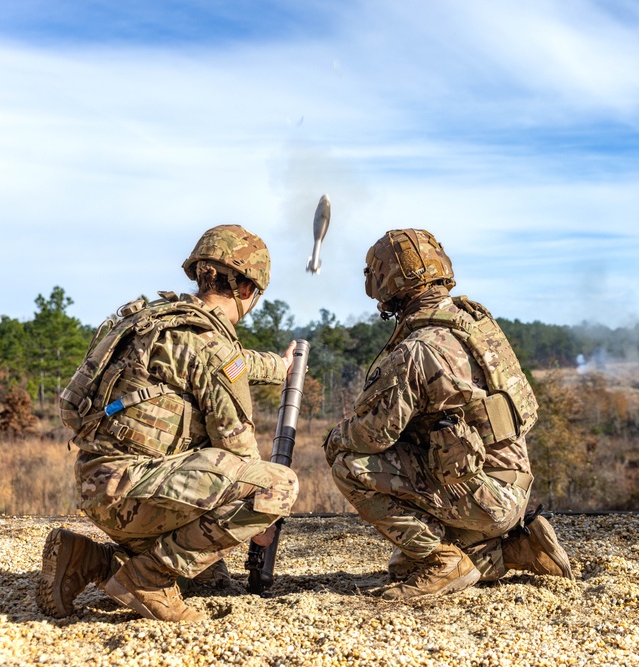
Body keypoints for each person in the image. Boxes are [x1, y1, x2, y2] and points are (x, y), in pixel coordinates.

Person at [36, 225, 300, 622]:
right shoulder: (212, 345)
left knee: (206, 579)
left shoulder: (150, 321)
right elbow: (239, 451)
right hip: (137, 494)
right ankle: (148, 579)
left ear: (200, 272)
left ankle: (87, 559)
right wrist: (261, 519)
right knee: (275, 485)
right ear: (247, 289)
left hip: (99, 486)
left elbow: (226, 362)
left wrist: (280, 366)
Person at [324, 228, 573, 600]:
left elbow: (374, 434)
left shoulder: (417, 348)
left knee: (347, 462)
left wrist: (334, 437)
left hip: (481, 495)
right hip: (512, 485)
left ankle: (444, 561)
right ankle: (514, 550)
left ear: (389, 282)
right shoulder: (475, 324)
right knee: (402, 566)